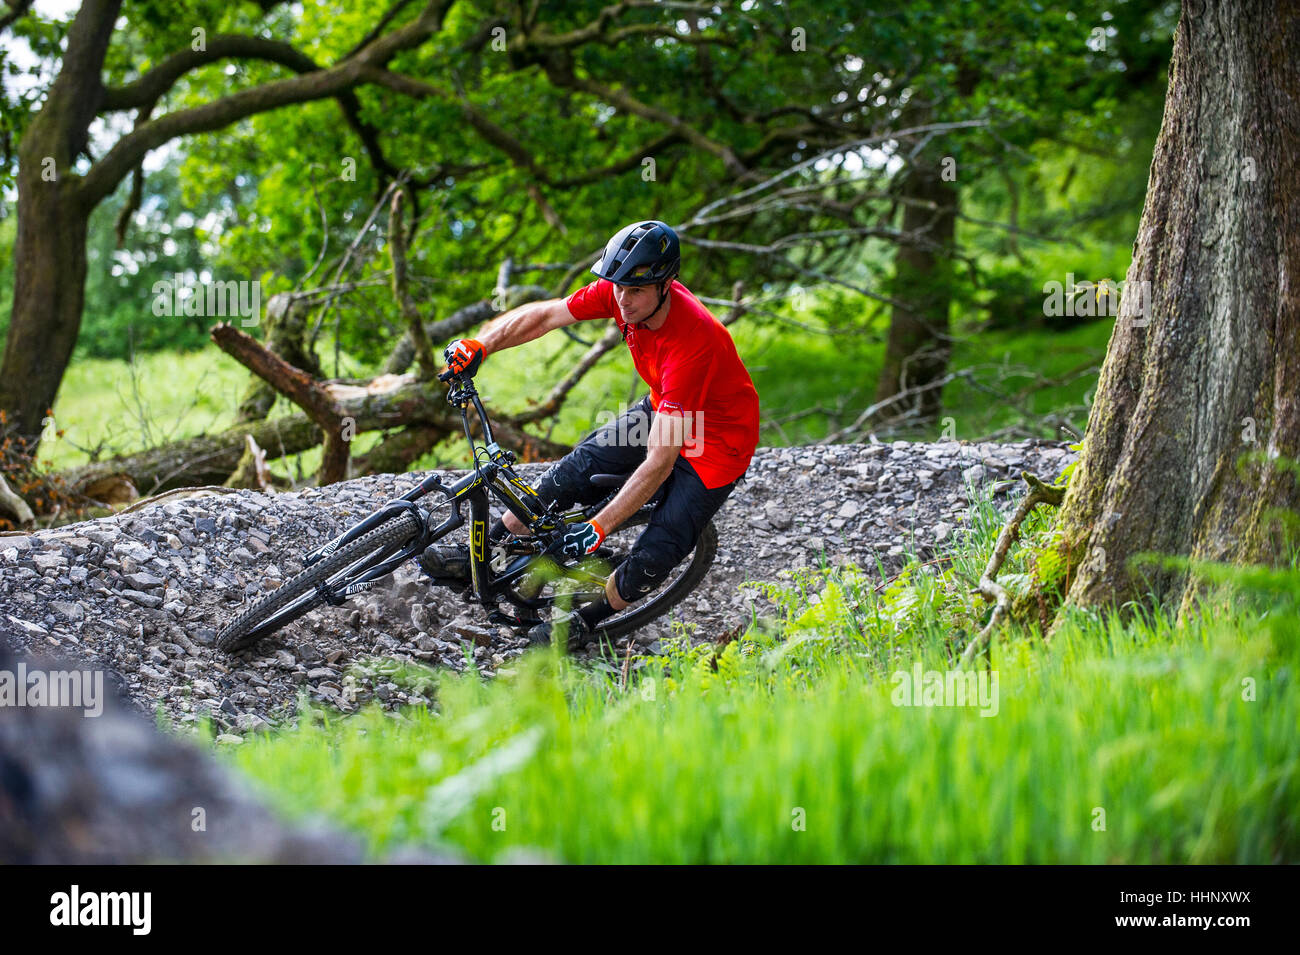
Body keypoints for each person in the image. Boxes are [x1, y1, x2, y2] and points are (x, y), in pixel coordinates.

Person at [422, 219, 760, 646]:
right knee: (574, 471)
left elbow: (659, 462)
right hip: (666, 409)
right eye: (617, 287)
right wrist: (481, 344)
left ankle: (586, 621)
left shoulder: (695, 342)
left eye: (635, 291)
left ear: (666, 285)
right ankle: (490, 552)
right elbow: (544, 316)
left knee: (659, 548)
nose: (622, 299)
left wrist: (598, 527)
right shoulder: (623, 292)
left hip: (719, 445)